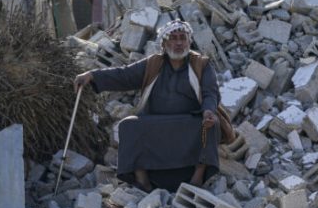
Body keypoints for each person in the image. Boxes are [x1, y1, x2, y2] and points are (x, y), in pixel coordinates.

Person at [74, 19, 221, 192]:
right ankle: (142, 180)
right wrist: (93, 75)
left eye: (183, 38)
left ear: (189, 42)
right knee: (128, 125)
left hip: (187, 122)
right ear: (164, 43)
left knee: (210, 124)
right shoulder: (153, 64)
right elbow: (124, 75)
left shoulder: (201, 64)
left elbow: (210, 92)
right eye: (173, 38)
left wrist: (208, 111)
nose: (179, 43)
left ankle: (198, 176)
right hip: (155, 122)